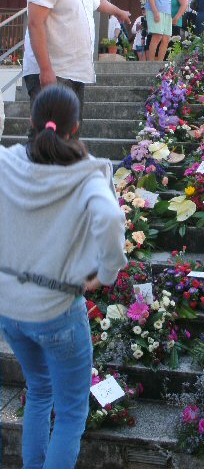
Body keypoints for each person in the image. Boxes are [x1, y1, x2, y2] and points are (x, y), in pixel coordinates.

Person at [0, 85, 127, 469]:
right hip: (58, 309)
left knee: (39, 391)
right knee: (71, 414)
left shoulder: (6, 162)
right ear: (76, 128)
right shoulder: (90, 172)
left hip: (9, 308)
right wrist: (104, 274)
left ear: (31, 122)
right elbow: (109, 219)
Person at [23, 0, 131, 127]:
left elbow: (96, 0)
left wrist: (118, 11)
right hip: (53, 72)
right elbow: (35, 23)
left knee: (68, 136)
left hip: (75, 72)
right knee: (46, 138)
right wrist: (46, 70)